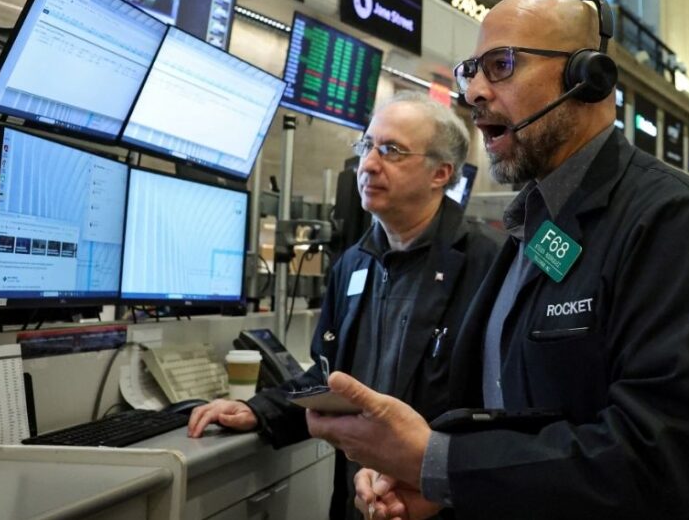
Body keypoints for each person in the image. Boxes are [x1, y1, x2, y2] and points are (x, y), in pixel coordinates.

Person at [304, 0, 689, 520]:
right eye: (471, 71)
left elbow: (658, 458)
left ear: (587, 78)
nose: (474, 92)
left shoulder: (676, 223)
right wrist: (441, 481)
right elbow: (519, 416)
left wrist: (440, 461)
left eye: (501, 65)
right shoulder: (532, 227)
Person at [187, 92, 503, 520]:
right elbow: (329, 374)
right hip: (361, 501)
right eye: (367, 146)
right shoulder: (354, 263)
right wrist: (259, 409)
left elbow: (500, 407)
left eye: (391, 151)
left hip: (440, 502)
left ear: (440, 173)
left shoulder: (490, 262)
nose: (368, 164)